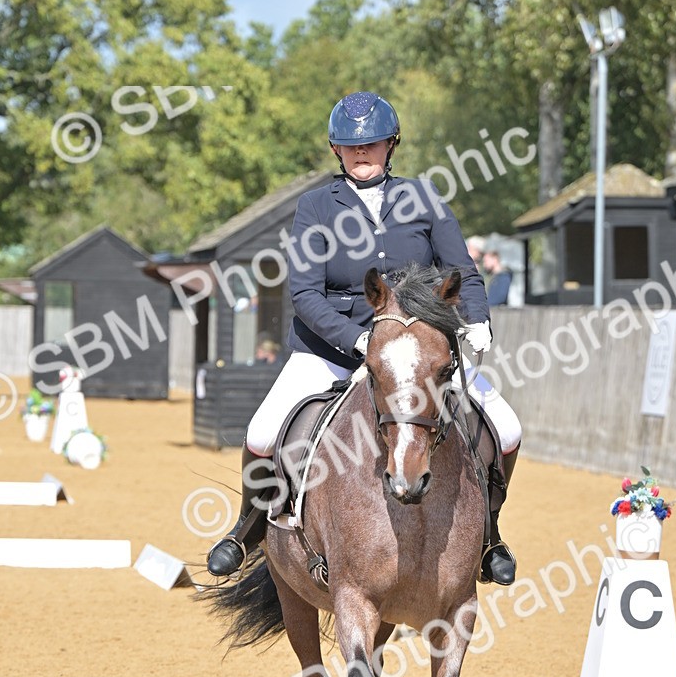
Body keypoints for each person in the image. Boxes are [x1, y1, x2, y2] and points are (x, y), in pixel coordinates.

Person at [207, 91, 522, 584]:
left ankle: (489, 534)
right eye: (351, 146)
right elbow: (306, 294)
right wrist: (358, 341)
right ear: (336, 150)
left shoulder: (424, 198)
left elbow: (462, 269)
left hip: (416, 354)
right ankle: (247, 527)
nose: (361, 153)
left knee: (505, 427)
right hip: (333, 348)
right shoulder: (315, 206)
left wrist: (477, 319)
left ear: (391, 144)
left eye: (372, 144)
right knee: (263, 433)